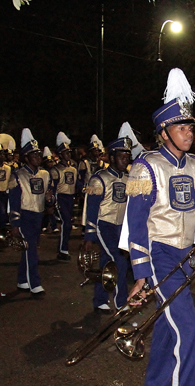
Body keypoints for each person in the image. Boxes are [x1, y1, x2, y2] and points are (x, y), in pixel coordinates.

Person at [123, 68, 195, 386]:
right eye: (181, 129)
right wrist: (141, 272)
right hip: (160, 253)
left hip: (184, 255)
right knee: (190, 332)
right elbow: (135, 224)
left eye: (191, 128)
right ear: (164, 132)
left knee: (167, 327)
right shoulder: (145, 166)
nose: (189, 134)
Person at [83, 126, 135, 311]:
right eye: (122, 156)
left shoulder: (130, 178)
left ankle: (100, 299)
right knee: (120, 261)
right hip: (103, 225)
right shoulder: (98, 178)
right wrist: (89, 236)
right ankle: (121, 302)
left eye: (128, 157)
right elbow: (91, 208)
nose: (125, 160)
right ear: (112, 157)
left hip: (121, 227)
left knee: (107, 261)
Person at [9, 128, 52, 295]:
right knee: (31, 249)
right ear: (26, 158)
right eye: (33, 155)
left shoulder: (45, 174)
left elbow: (49, 196)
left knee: (31, 248)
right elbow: (14, 202)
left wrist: (50, 200)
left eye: (38, 155)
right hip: (25, 215)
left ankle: (22, 280)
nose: (38, 158)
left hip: (38, 215)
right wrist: (15, 224)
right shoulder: (18, 175)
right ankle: (34, 282)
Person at [51, 132, 78, 261]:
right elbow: (52, 188)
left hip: (70, 198)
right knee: (66, 223)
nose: (69, 155)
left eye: (69, 152)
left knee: (68, 223)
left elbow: (76, 184)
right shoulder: (55, 170)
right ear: (60, 154)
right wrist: (51, 202)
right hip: (60, 197)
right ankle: (62, 250)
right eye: (66, 153)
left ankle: (63, 248)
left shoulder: (73, 168)